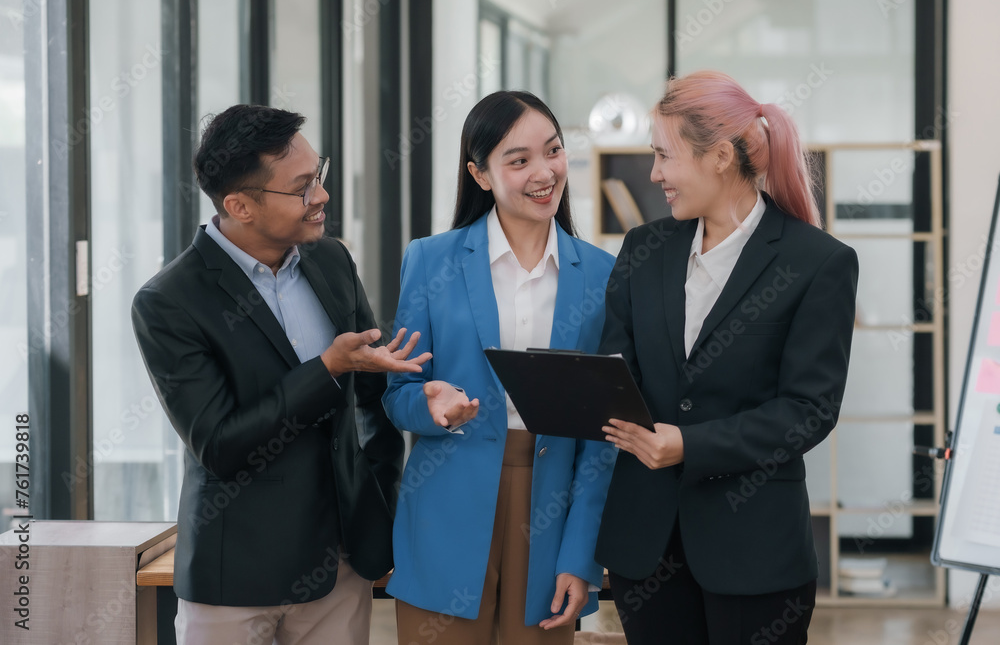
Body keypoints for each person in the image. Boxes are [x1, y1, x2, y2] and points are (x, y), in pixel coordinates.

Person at [131, 104, 429, 645]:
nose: (321, 197)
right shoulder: (169, 301)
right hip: (234, 576)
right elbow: (220, 443)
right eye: (302, 187)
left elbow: (371, 398)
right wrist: (328, 367)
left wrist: (378, 503)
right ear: (239, 205)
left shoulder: (331, 261)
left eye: (320, 175)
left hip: (341, 568)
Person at [595, 71, 859, 645]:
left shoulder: (818, 262)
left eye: (664, 156)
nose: (655, 173)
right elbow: (615, 370)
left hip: (757, 554)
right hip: (646, 548)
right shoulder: (645, 247)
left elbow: (809, 410)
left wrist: (688, 445)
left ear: (718, 157)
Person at [382, 90, 616, 645]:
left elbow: (602, 434)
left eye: (553, 151)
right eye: (519, 159)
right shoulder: (429, 259)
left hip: (551, 513)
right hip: (446, 513)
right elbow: (396, 394)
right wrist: (431, 408)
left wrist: (581, 557)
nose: (544, 172)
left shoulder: (605, 275)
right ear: (479, 174)